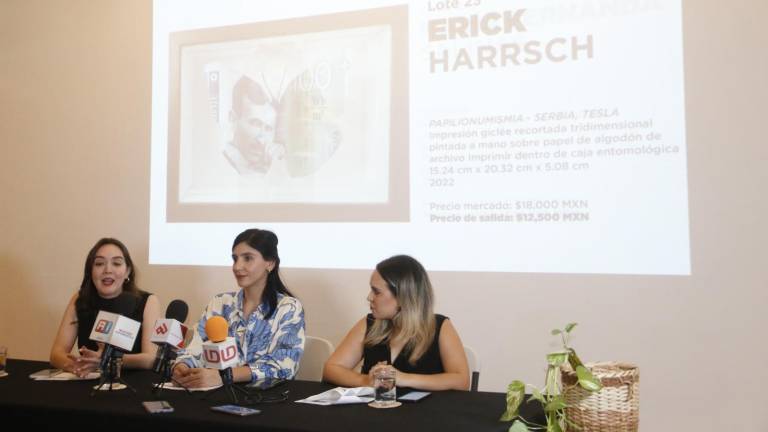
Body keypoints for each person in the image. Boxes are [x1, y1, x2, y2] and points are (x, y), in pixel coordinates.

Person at [172, 228, 305, 388]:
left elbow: (284, 366)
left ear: (270, 263)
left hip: (266, 400)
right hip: (216, 393)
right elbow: (196, 348)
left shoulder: (289, 307)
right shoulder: (220, 303)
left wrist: (225, 376)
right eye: (235, 259)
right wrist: (182, 367)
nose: (237, 266)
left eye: (248, 258)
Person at [323, 255, 469, 391]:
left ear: (402, 296)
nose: (369, 297)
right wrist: (366, 381)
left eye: (377, 291)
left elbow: (461, 381)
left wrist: (403, 379)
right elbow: (332, 368)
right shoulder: (369, 323)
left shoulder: (440, 326)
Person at [49, 238, 161, 376]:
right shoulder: (80, 300)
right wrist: (78, 365)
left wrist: (107, 360)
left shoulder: (148, 301)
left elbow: (150, 359)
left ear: (127, 271)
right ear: (91, 271)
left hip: (131, 384)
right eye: (100, 263)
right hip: (88, 382)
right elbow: (56, 354)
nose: (108, 270)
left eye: (117, 263)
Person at [223, 75, 284, 175]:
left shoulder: (270, 167)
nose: (261, 139)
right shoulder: (222, 166)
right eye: (255, 124)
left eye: (268, 129)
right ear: (233, 119)